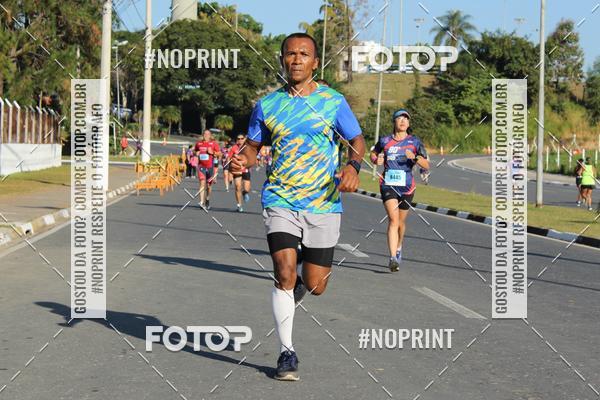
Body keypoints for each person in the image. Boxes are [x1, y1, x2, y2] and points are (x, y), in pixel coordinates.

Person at [230, 32, 365, 381]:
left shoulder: (333, 102)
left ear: (315, 63)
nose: (296, 59)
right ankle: (286, 353)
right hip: (281, 199)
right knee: (284, 273)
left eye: (304, 54)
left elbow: (356, 139)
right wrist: (242, 160)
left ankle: (302, 280)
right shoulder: (267, 105)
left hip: (323, 202)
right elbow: (253, 147)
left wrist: (353, 166)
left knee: (316, 285)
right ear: (282, 60)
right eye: (290, 54)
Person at [370, 108, 429, 272]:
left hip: (407, 187)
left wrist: (415, 158)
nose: (403, 121)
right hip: (388, 184)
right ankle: (392, 258)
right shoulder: (385, 140)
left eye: (406, 119)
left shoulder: (415, 142)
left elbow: (426, 164)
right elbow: (373, 154)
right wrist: (376, 159)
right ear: (394, 121)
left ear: (408, 123)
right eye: (399, 118)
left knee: (401, 223)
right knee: (393, 220)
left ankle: (399, 246)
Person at [194, 130, 221, 209]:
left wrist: (212, 152)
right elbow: (195, 151)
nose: (206, 135)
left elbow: (219, 154)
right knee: (202, 183)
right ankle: (201, 202)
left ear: (210, 135)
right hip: (201, 166)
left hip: (210, 167)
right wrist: (196, 153)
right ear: (203, 135)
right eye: (204, 134)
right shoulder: (199, 143)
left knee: (209, 186)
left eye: (207, 134)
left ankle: (207, 199)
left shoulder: (214, 144)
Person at [228, 135, 252, 212]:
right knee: (238, 187)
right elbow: (229, 159)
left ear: (245, 139)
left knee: (247, 188)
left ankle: (245, 193)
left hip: (245, 169)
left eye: (242, 138)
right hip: (236, 170)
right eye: (238, 139)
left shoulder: (248, 148)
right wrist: (230, 172)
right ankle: (239, 205)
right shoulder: (234, 148)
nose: (240, 140)